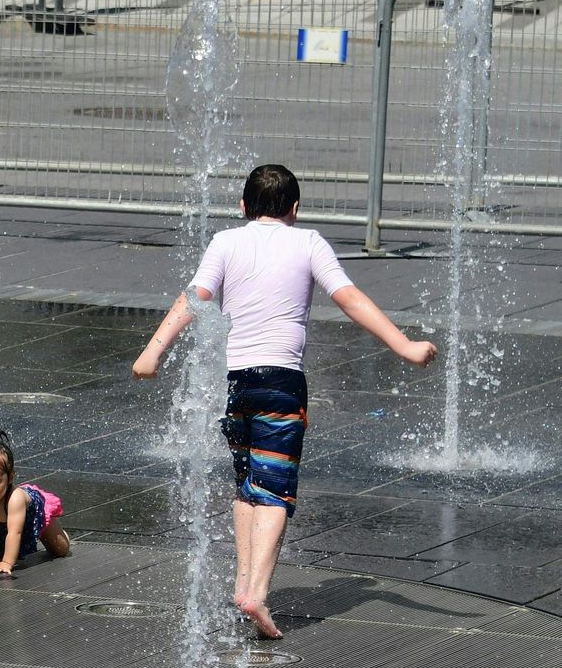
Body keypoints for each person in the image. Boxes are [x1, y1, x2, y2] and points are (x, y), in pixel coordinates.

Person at [133, 164, 436, 639]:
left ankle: (241, 582)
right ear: (295, 209)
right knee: (275, 489)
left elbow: (194, 297)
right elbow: (349, 298)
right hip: (282, 382)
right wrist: (404, 345)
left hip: (238, 384)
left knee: (247, 483)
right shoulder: (309, 242)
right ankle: (256, 593)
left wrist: (152, 352)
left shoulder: (226, 242)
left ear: (242, 208)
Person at [0, 428, 70, 576]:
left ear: (10, 477)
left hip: (35, 512)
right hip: (10, 523)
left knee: (60, 550)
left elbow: (15, 533)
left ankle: (58, 532)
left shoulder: (15, 499)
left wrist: (7, 563)